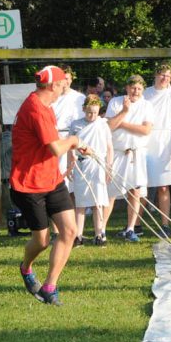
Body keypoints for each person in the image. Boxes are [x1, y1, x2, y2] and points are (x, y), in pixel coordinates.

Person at [11, 65, 86, 305]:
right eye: (64, 82)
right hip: (28, 184)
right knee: (42, 241)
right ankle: (26, 267)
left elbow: (52, 144)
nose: (67, 85)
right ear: (53, 85)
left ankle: (49, 286)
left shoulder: (46, 106)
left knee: (70, 231)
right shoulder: (35, 109)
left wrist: (73, 145)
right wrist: (74, 140)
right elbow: (55, 147)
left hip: (52, 179)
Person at [105, 75, 153, 242]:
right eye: (133, 88)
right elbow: (109, 126)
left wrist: (122, 123)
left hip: (136, 152)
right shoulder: (116, 102)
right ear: (127, 88)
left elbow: (146, 130)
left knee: (135, 191)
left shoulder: (147, 105)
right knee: (110, 192)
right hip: (118, 152)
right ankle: (101, 230)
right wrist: (124, 112)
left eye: (139, 89)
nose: (136, 91)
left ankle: (131, 228)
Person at [143, 63, 171, 236]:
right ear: (156, 74)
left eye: (168, 76)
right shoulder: (145, 94)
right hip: (146, 140)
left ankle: (164, 225)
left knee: (163, 186)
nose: (165, 79)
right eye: (162, 75)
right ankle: (135, 226)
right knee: (141, 186)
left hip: (166, 143)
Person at [69, 95, 113, 246]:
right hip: (82, 165)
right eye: (89, 112)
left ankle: (99, 234)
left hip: (98, 164)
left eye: (95, 112)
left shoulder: (103, 124)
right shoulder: (76, 125)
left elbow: (109, 147)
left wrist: (109, 167)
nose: (92, 116)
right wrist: (70, 163)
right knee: (80, 203)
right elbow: (70, 146)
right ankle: (78, 236)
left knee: (98, 202)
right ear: (83, 109)